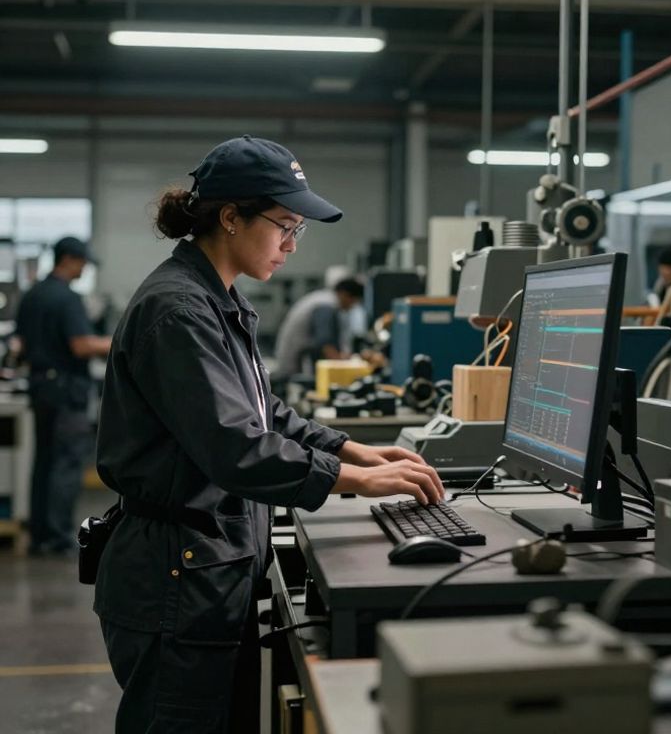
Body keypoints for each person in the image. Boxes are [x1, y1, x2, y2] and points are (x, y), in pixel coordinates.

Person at [93, 136, 445, 733]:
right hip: (175, 579)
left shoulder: (215, 298)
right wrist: (355, 480)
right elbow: (235, 446)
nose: (290, 243)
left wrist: (347, 447)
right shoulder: (178, 311)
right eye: (283, 224)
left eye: (298, 229)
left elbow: (261, 408)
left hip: (205, 567)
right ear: (230, 217)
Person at [15, 236, 112, 555]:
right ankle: (58, 540)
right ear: (68, 259)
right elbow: (81, 346)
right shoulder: (67, 299)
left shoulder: (32, 295)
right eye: (83, 262)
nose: (84, 268)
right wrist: (118, 342)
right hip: (66, 390)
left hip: (40, 386)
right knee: (66, 464)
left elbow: (21, 347)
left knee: (43, 462)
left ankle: (40, 534)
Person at [272, 276, 365, 379]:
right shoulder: (325, 306)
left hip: (296, 361)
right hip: (293, 367)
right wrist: (344, 365)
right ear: (345, 295)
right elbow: (325, 343)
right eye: (353, 302)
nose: (352, 307)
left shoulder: (324, 298)